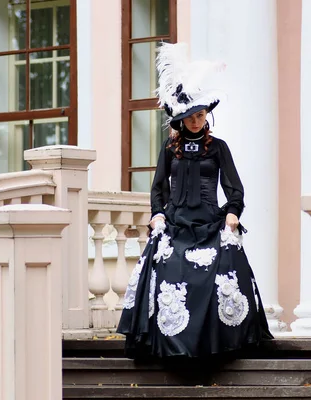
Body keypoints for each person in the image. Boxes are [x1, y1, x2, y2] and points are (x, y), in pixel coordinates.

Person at [116, 42, 273, 359]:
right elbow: (158, 187)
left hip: (209, 225)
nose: (196, 121)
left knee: (220, 273)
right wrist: (157, 215)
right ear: (180, 118)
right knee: (170, 272)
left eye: (201, 115)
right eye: (191, 117)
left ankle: (213, 345)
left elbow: (235, 189)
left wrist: (232, 214)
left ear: (206, 115)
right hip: (174, 225)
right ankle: (173, 348)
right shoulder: (168, 149)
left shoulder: (218, 148)